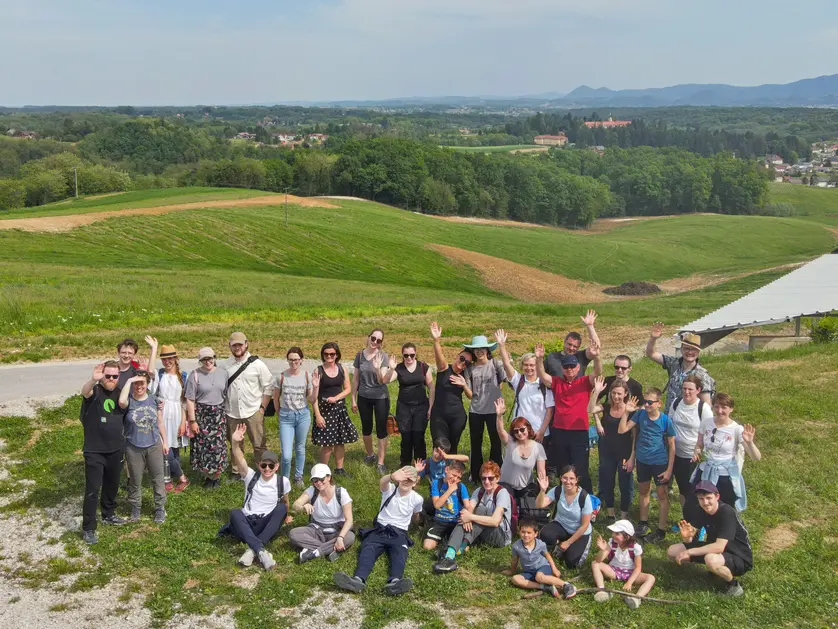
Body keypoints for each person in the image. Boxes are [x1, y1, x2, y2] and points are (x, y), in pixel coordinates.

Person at [334, 466, 424, 596]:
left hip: (399, 533)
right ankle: (358, 579)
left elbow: (416, 514)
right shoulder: (390, 489)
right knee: (368, 550)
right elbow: (382, 482)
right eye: (404, 478)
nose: (406, 482)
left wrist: (417, 523)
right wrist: (391, 476)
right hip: (380, 529)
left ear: (415, 483)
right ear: (399, 478)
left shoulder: (417, 498)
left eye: (410, 480)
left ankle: (395, 582)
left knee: (400, 554)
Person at [535, 340, 603, 493]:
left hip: (579, 432)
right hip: (559, 431)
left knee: (581, 469)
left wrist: (597, 357)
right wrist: (539, 359)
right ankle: (565, 497)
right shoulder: (557, 382)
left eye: (572, 366)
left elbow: (597, 372)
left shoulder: (585, 382)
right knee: (563, 468)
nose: (570, 369)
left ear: (578, 368)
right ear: (562, 369)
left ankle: (587, 500)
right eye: (566, 367)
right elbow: (542, 375)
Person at [667, 480, 753, 597]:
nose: (705, 502)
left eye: (708, 498)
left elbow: (719, 547)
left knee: (710, 559)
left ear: (717, 496)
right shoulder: (701, 510)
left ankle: (733, 585)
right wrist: (687, 537)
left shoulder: (726, 512)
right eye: (701, 499)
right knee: (672, 551)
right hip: (714, 549)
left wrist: (689, 551)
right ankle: (715, 570)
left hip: (738, 556)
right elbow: (691, 537)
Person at [225, 424, 292, 571]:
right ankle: (261, 550)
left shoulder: (283, 481)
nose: (267, 468)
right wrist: (235, 442)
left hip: (265, 522)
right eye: (264, 465)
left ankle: (252, 550)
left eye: (271, 465)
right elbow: (239, 458)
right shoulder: (250, 476)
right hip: (247, 522)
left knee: (282, 508)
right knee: (235, 513)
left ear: (277, 466)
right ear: (258, 465)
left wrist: (286, 515)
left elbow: (285, 501)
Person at [433, 461, 512, 574]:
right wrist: (467, 518)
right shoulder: (479, 491)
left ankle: (455, 549)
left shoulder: (502, 493)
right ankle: (450, 554)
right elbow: (468, 509)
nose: (487, 481)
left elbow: (495, 521)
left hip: (500, 536)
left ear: (497, 478)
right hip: (482, 532)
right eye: (484, 478)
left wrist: (471, 517)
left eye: (491, 478)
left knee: (482, 511)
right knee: (467, 514)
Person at [618, 388, 675, 543]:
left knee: (662, 495)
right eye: (645, 402)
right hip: (643, 461)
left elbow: (672, 446)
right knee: (643, 491)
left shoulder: (665, 421)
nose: (647, 405)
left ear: (659, 403)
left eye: (650, 402)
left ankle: (661, 530)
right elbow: (622, 429)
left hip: (660, 463)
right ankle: (643, 523)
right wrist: (626, 412)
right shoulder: (640, 414)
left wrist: (669, 470)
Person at [80, 361, 128, 544]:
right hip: (94, 450)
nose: (111, 379)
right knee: (93, 489)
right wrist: (93, 379)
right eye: (107, 376)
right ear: (102, 375)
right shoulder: (95, 391)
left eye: (115, 376)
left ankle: (108, 514)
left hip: (116, 448)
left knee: (112, 484)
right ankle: (89, 528)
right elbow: (85, 391)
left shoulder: (119, 392)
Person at [690, 393, 761, 512]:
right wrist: (696, 453)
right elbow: (699, 444)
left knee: (724, 509)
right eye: (717, 407)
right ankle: (701, 527)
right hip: (705, 471)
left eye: (724, 407)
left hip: (725, 476)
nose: (720, 411)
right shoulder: (706, 423)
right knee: (698, 504)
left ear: (731, 409)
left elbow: (756, 457)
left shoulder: (737, 429)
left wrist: (749, 443)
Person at [221, 332, 274, 477]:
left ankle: (263, 470)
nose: (237, 348)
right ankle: (237, 471)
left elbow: (268, 387)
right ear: (229, 346)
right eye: (234, 345)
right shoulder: (224, 365)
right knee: (235, 444)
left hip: (253, 411)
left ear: (246, 344)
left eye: (240, 344)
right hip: (232, 412)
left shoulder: (258, 365)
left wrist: (262, 408)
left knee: (259, 444)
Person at [119, 371, 167, 523]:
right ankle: (135, 508)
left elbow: (159, 422)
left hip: (153, 444)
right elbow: (120, 402)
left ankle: (160, 508)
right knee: (135, 478)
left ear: (147, 385)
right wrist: (130, 380)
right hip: (133, 445)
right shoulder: (128, 401)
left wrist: (165, 441)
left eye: (142, 383)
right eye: (136, 383)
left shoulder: (154, 400)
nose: (139, 386)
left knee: (158, 478)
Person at [379, 342, 435, 467]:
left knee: (418, 436)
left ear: (416, 354)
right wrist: (391, 368)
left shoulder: (423, 366)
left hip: (421, 406)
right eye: (406, 355)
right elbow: (385, 381)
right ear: (402, 355)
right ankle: (405, 465)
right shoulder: (399, 368)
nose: (409, 358)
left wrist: (431, 407)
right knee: (406, 437)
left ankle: (420, 467)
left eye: (412, 355)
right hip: (404, 407)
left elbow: (431, 387)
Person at [588, 377, 635, 522]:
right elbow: (590, 409)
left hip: (624, 453)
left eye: (619, 394)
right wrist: (596, 391)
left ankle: (624, 515)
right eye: (613, 393)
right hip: (607, 450)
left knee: (624, 485)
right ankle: (610, 513)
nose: (616, 397)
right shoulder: (606, 407)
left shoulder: (631, 411)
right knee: (607, 482)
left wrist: (632, 457)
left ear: (625, 394)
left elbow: (635, 436)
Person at [461, 333, 506, 484]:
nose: (480, 351)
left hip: (494, 411)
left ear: (487, 350)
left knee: (496, 442)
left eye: (482, 348)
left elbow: (505, 379)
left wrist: (497, 394)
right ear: (473, 351)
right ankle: (475, 475)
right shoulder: (469, 369)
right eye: (476, 349)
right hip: (476, 411)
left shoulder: (496, 364)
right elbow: (469, 394)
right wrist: (464, 386)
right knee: (476, 443)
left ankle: (495, 473)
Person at [495, 329, 554, 442]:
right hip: (520, 431)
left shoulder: (544, 384)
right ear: (522, 366)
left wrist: (541, 432)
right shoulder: (519, 380)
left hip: (538, 432)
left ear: (537, 366)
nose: (529, 368)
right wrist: (502, 345)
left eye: (532, 365)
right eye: (526, 365)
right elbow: (507, 365)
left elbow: (549, 411)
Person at [289, 463, 355, 563]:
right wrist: (303, 507)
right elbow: (295, 505)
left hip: (336, 530)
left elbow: (349, 519)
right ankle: (330, 549)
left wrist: (340, 537)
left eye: (322, 479)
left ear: (329, 477)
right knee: (293, 534)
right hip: (316, 529)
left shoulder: (341, 493)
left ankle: (314, 552)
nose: (319, 483)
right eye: (315, 480)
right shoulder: (312, 491)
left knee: (349, 537)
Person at [185, 347, 229, 489]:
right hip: (202, 415)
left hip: (219, 415)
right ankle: (207, 477)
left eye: (209, 358)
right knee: (204, 448)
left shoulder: (223, 373)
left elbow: (225, 393)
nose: (207, 362)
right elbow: (190, 400)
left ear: (214, 358)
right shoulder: (194, 375)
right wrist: (192, 421)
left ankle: (216, 476)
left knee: (218, 447)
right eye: (204, 359)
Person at [311, 342, 357, 476]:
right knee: (327, 444)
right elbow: (314, 397)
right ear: (322, 355)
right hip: (324, 410)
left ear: (337, 355)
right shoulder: (318, 371)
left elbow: (348, 389)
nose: (329, 356)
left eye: (332, 354)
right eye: (326, 354)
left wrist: (336, 398)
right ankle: (323, 472)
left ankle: (339, 469)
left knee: (340, 441)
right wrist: (317, 415)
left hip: (339, 409)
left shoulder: (342, 369)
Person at [535, 465, 593, 568]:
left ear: (577, 480)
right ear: (561, 478)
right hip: (562, 525)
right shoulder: (557, 490)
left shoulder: (584, 497)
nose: (568, 481)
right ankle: (557, 546)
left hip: (580, 531)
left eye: (571, 478)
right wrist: (542, 491)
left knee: (571, 563)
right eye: (565, 478)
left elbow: (584, 526)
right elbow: (539, 505)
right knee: (545, 534)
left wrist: (568, 543)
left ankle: (566, 547)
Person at [150, 342, 190, 493]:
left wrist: (183, 422)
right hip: (162, 413)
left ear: (176, 358)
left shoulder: (184, 376)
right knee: (164, 446)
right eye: (164, 359)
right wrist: (154, 349)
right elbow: (149, 371)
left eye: (170, 359)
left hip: (177, 414)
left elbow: (184, 402)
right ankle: (181, 477)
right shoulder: (160, 375)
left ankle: (170, 478)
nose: (167, 362)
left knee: (174, 447)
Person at [646, 324, 715, 410]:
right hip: (669, 417)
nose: (690, 352)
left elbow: (706, 405)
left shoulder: (702, 375)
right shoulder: (674, 363)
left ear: (698, 352)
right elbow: (651, 353)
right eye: (687, 348)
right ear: (681, 349)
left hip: (686, 420)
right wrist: (653, 338)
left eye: (693, 349)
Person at [669, 374, 713, 507]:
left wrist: (699, 452)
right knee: (683, 490)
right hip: (677, 454)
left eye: (690, 389)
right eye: (684, 389)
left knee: (695, 491)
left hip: (694, 458)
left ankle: (699, 524)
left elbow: (710, 433)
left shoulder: (703, 408)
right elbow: (670, 424)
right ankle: (686, 519)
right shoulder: (676, 403)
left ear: (698, 390)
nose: (686, 392)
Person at [503, 520, 577, 599]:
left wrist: (554, 569)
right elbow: (515, 560)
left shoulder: (540, 544)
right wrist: (512, 571)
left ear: (535, 534)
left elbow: (548, 556)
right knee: (515, 579)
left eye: (529, 533)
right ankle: (544, 587)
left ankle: (567, 585)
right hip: (529, 572)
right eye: (523, 532)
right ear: (519, 532)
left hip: (543, 567)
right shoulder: (516, 546)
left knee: (539, 577)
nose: (525, 535)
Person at [273, 347, 315, 486]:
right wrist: (279, 412)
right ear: (287, 360)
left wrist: (316, 387)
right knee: (286, 455)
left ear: (301, 360)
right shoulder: (282, 376)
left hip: (303, 415)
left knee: (300, 447)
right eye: (291, 359)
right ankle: (284, 480)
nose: (293, 362)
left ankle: (298, 476)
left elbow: (311, 399)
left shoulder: (307, 376)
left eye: (296, 359)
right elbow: (276, 397)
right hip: (286, 416)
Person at [352, 328, 392, 475]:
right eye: (373, 338)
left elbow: (382, 380)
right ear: (368, 338)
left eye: (379, 340)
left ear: (381, 343)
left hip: (381, 397)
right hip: (364, 397)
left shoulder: (383, 357)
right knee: (366, 428)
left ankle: (381, 462)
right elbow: (355, 379)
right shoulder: (359, 356)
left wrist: (377, 368)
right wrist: (353, 399)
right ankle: (370, 455)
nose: (375, 342)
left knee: (381, 430)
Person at [591, 520, 656, 609]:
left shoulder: (635, 548)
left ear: (627, 537)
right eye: (613, 532)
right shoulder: (611, 543)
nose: (613, 535)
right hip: (613, 570)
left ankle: (637, 597)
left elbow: (638, 568)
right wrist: (603, 550)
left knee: (650, 578)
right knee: (595, 564)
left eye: (617, 534)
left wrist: (630, 582)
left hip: (630, 573)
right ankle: (601, 590)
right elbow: (598, 560)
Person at [429, 321, 472, 454]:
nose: (463, 363)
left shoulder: (466, 376)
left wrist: (464, 384)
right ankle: (436, 472)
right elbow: (439, 357)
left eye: (467, 363)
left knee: (452, 447)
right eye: (462, 358)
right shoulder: (444, 369)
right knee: (439, 445)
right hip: (439, 415)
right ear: (457, 356)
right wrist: (436, 340)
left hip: (457, 417)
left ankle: (451, 473)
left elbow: (471, 396)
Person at [495, 398, 547, 496]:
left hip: (525, 488)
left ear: (528, 429)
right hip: (506, 486)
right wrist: (499, 415)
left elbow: (541, 472)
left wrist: (543, 490)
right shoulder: (511, 442)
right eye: (516, 431)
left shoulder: (538, 447)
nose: (519, 433)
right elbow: (500, 431)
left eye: (522, 429)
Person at [422, 460, 471, 552]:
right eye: (453, 475)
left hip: (455, 521)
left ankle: (449, 540)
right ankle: (442, 538)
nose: (455, 479)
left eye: (458, 477)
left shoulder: (461, 487)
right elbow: (437, 505)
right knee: (427, 546)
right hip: (440, 521)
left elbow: (468, 505)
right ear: (447, 469)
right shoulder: (437, 483)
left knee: (465, 549)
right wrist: (449, 490)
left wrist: (469, 517)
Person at [418, 437, 470, 518]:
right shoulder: (426, 463)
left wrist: (447, 456)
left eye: (441, 453)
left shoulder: (448, 461)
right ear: (433, 449)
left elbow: (466, 458)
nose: (438, 455)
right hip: (437, 494)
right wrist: (416, 471)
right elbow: (416, 480)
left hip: (453, 492)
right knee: (422, 507)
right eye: (436, 451)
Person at [544, 310, 601, 377]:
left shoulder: (582, 356)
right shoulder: (552, 357)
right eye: (569, 344)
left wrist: (590, 326)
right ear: (564, 342)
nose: (571, 348)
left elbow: (596, 347)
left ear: (579, 347)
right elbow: (541, 375)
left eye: (575, 346)